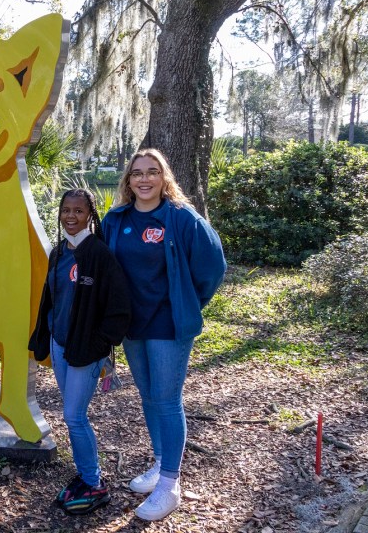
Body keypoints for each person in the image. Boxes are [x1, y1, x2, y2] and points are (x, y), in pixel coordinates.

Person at [102, 149, 226, 521]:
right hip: (132, 325)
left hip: (168, 325)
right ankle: (160, 462)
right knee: (148, 396)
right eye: (137, 173)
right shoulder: (116, 219)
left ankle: (170, 484)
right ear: (128, 180)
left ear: (164, 177)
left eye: (152, 172)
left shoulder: (180, 218)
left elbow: (212, 266)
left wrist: (189, 302)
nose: (144, 179)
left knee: (167, 399)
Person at [29, 189, 131, 516]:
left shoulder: (99, 255)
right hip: (60, 346)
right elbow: (51, 300)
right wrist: (45, 336)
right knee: (73, 416)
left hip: (86, 351)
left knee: (74, 416)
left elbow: (119, 310)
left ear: (90, 215)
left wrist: (100, 345)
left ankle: (94, 482)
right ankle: (86, 474)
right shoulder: (58, 253)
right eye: (66, 210)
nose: (71, 216)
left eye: (78, 211)